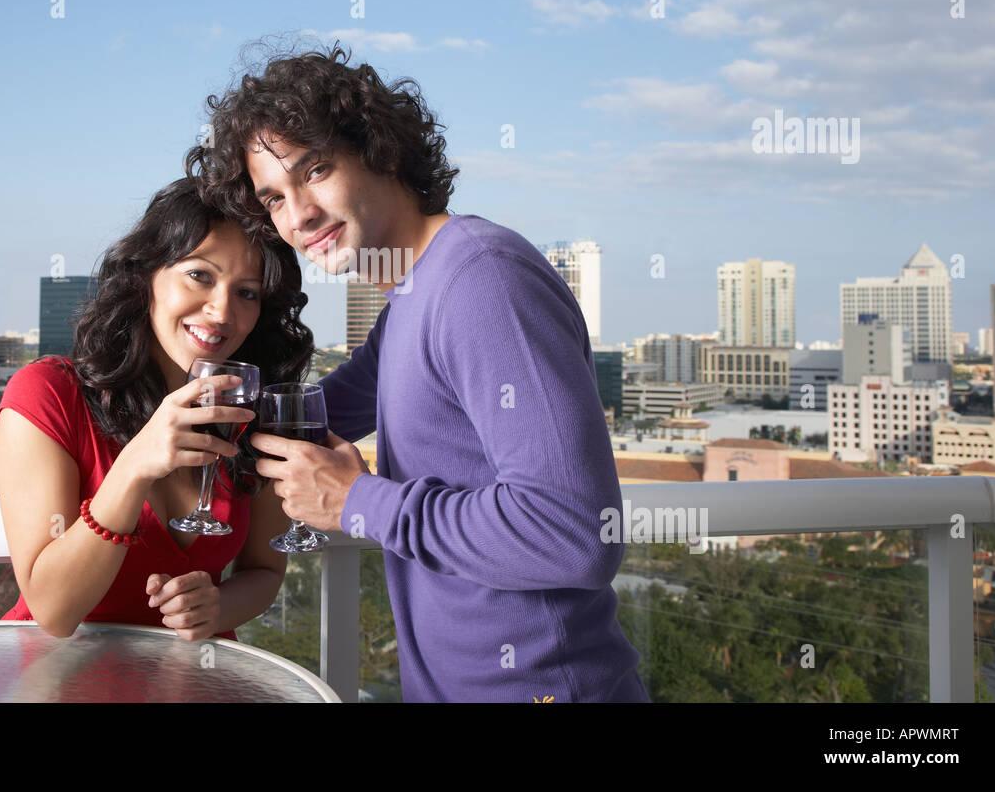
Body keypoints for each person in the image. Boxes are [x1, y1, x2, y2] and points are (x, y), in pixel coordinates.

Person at [188, 44, 651, 701]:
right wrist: (179, 413)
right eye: (274, 198)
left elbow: (576, 535)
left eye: (316, 170)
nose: (298, 216)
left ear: (382, 151)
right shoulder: (412, 296)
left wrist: (359, 502)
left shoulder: (482, 280)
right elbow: (316, 412)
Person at [0, 174, 312, 641]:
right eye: (200, 275)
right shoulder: (48, 395)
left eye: (247, 292)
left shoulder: (247, 408)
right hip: (57, 679)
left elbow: (264, 571)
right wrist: (133, 467)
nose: (221, 312)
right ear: (147, 276)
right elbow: (54, 612)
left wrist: (217, 607)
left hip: (189, 680)